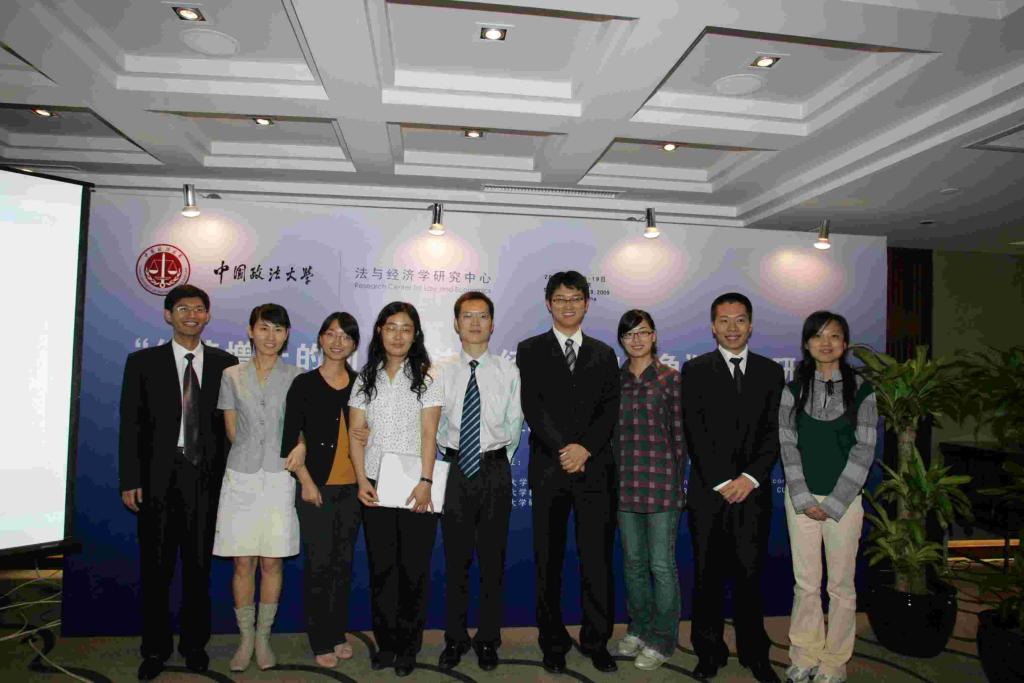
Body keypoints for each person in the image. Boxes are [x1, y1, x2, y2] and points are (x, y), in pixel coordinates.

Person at [119, 284, 238, 681]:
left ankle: (194, 646)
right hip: (156, 481)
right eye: (183, 308)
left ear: (208, 316)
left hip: (206, 480)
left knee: (198, 569)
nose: (191, 315)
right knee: (156, 569)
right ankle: (154, 649)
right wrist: (131, 478)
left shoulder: (225, 364)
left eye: (199, 308)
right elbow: (131, 425)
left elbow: (231, 428)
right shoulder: (142, 363)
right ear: (168, 315)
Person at [516, 270, 621, 674]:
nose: (568, 306)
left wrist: (585, 448)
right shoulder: (530, 349)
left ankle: (597, 640)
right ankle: (553, 642)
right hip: (551, 468)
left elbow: (609, 410)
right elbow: (533, 405)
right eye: (560, 299)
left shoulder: (603, 353)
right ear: (548, 304)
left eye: (576, 298)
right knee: (549, 561)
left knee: (597, 560)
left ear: (587, 304)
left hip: (595, 471)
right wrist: (565, 449)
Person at [680, 292, 784, 683]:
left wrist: (749, 479)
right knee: (706, 577)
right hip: (709, 493)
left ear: (750, 325)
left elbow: (775, 433)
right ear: (713, 326)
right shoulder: (695, 370)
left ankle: (755, 653)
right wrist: (725, 481)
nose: (732, 328)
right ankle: (708, 652)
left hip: (753, 494)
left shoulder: (771, 372)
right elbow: (694, 432)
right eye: (724, 321)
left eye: (740, 320)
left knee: (750, 577)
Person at [779, 312, 877, 683]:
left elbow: (865, 449)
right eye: (818, 336)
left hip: (845, 503)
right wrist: (803, 497)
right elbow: (787, 446)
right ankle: (805, 654)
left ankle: (835, 660)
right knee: (806, 583)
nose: (826, 343)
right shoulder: (793, 390)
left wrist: (835, 502)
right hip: (800, 500)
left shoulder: (862, 390)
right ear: (806, 344)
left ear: (845, 343)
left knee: (840, 586)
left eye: (834, 336)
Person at [348, 302, 443, 678]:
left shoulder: (426, 377)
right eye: (391, 327)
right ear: (380, 332)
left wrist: (426, 481)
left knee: (413, 569)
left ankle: (408, 647)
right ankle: (386, 644)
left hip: (416, 486)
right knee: (382, 568)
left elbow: (429, 434)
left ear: (415, 334)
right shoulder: (365, 378)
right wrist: (361, 481)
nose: (398, 335)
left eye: (406, 328)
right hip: (375, 485)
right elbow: (356, 434)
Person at [435, 292, 523, 672]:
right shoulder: (440, 371)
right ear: (456, 324)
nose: (474, 323)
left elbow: (514, 424)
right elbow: (435, 426)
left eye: (482, 316)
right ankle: (455, 638)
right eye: (467, 316)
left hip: (494, 470)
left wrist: (496, 461)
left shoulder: (508, 371)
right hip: (455, 469)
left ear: (492, 323)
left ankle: (488, 638)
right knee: (456, 561)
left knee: (492, 560)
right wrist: (455, 454)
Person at [213, 303, 302, 672]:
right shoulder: (231, 375)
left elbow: (301, 429)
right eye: (264, 328)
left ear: (286, 335)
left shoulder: (297, 377)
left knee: (272, 560)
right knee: (243, 561)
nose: (271, 336)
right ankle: (245, 638)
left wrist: (297, 448)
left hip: (280, 476)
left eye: (278, 330)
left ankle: (264, 638)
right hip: (242, 476)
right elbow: (232, 430)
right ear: (251, 331)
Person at [280, 312, 364, 668]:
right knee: (319, 565)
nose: (337, 341)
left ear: (354, 344)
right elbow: (290, 437)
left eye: (345, 336)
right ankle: (320, 639)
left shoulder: (362, 384)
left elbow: (370, 432)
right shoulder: (304, 384)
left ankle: (337, 632)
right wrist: (306, 482)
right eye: (330, 333)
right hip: (316, 489)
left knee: (343, 565)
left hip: (353, 489)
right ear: (320, 339)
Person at [613, 309, 686, 671]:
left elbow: (680, 437)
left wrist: (676, 485)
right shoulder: (616, 381)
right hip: (625, 485)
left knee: (661, 565)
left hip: (661, 486)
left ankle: (662, 639)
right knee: (634, 565)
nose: (637, 339)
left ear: (654, 336)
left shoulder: (671, 379)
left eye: (643, 332)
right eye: (630, 334)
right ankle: (639, 629)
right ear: (621, 341)